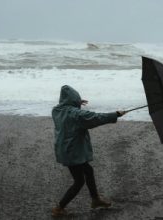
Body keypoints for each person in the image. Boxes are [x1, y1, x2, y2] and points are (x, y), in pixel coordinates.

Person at [51, 85, 126, 217]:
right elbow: (96, 118)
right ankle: (59, 207)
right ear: (73, 100)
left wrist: (76, 103)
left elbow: (70, 111)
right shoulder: (76, 115)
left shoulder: (56, 110)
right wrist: (116, 114)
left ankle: (95, 199)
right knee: (79, 181)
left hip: (64, 149)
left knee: (88, 171)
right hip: (72, 151)